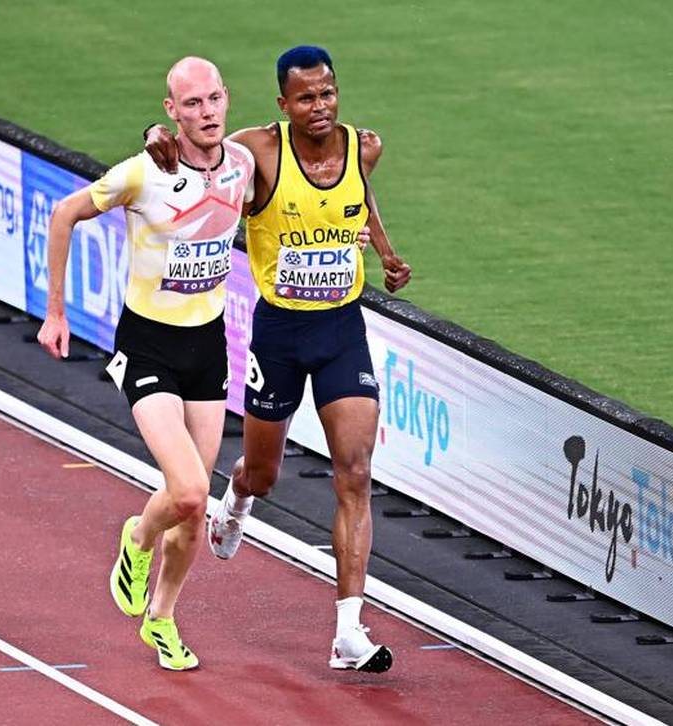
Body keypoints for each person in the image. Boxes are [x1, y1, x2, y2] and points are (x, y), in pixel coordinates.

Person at [145, 45, 411, 673]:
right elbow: (198, 156)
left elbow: (362, 197)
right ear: (282, 104)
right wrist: (157, 133)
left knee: (355, 472)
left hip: (342, 329)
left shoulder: (364, 147)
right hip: (280, 335)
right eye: (306, 98)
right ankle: (236, 503)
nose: (320, 107)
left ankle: (348, 631)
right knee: (263, 474)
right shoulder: (257, 152)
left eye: (328, 93)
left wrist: (386, 252)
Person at [39, 57, 254, 671]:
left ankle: (161, 617)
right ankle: (136, 538)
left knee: (192, 512)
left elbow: (295, 176)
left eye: (213, 99)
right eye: (192, 104)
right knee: (189, 490)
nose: (206, 112)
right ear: (171, 110)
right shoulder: (143, 173)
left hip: (208, 345)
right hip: (149, 345)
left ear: (226, 98)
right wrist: (56, 312)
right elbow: (64, 214)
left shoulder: (242, 163)